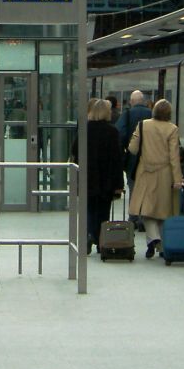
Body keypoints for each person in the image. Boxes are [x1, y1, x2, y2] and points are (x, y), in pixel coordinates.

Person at [128, 99, 184, 259]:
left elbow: (132, 149)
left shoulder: (142, 125)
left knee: (146, 210)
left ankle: (153, 239)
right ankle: (161, 245)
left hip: (145, 172)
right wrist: (177, 179)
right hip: (165, 174)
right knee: (163, 211)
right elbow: (174, 157)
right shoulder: (172, 129)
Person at [70, 98, 124, 253]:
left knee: (89, 209)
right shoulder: (112, 131)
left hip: (88, 177)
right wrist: (118, 184)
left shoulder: (84, 130)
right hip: (106, 179)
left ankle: (88, 234)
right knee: (103, 210)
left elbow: (75, 151)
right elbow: (116, 159)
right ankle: (101, 240)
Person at [116, 90, 151, 227]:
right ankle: (144, 218)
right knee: (147, 189)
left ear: (131, 101)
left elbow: (121, 134)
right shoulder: (151, 114)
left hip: (132, 160)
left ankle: (134, 217)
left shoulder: (127, 114)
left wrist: (124, 151)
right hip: (149, 158)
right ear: (143, 101)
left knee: (134, 188)